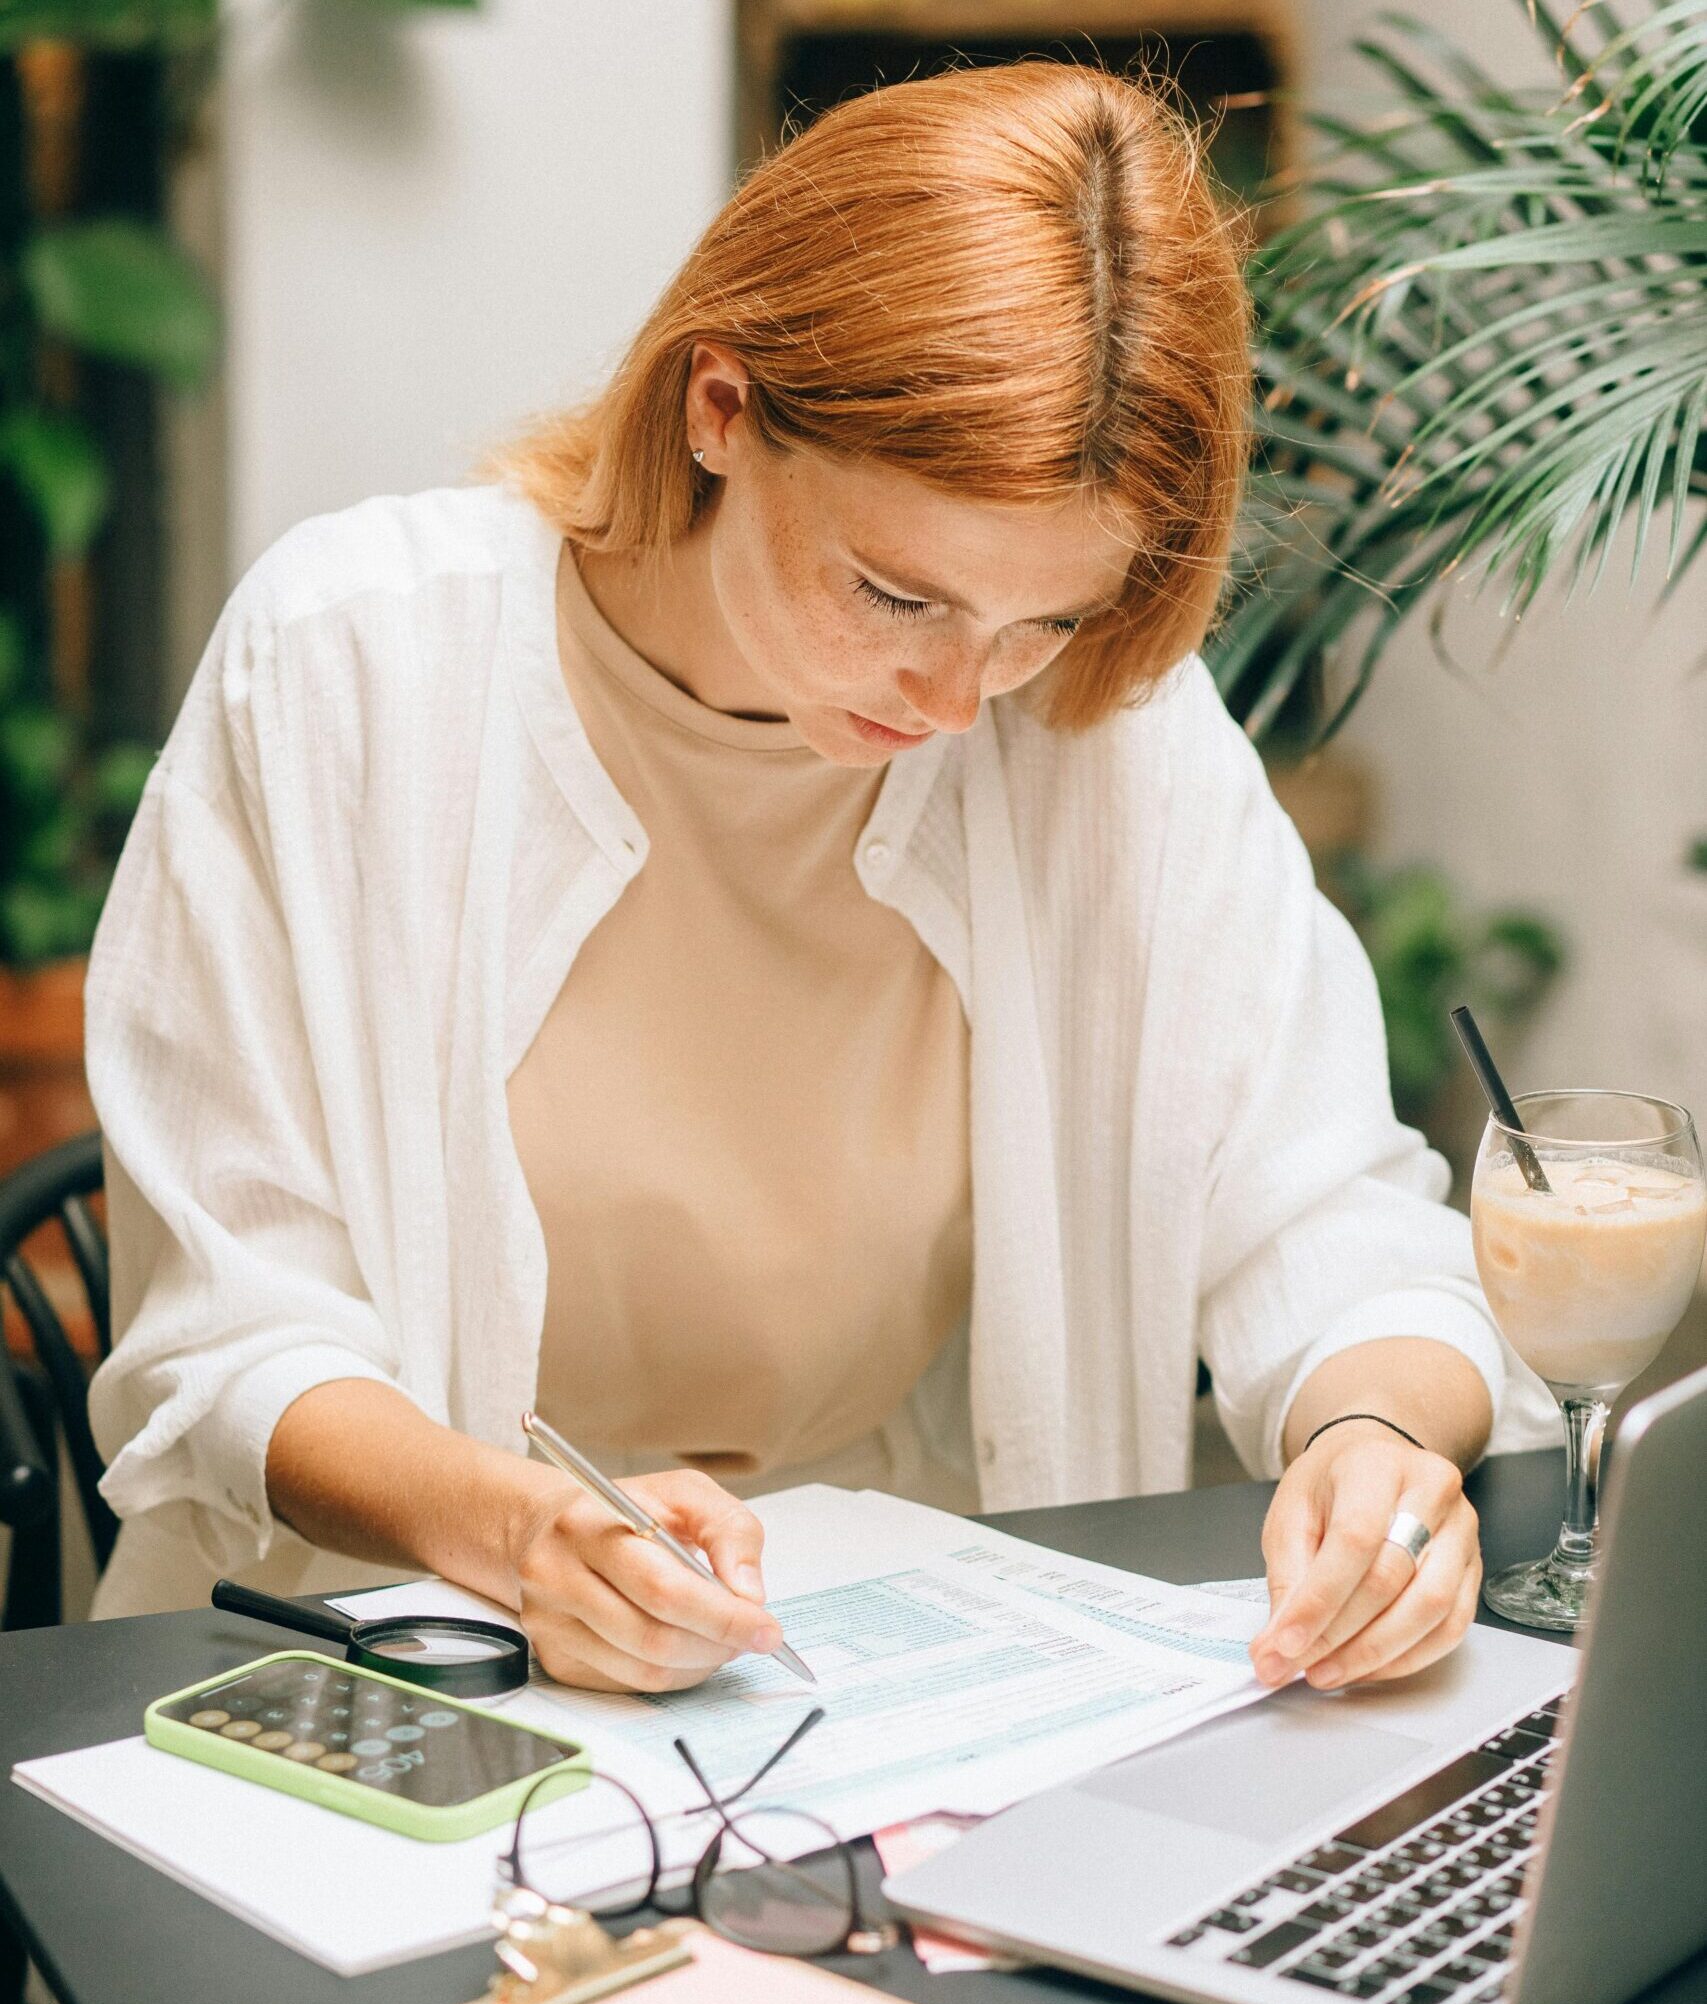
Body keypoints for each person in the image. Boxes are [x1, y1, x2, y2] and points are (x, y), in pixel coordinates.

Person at [85, 60, 1555, 1695]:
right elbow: (229, 1337)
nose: (953, 698)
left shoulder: (1098, 729)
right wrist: (519, 1536)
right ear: (720, 406)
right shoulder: (347, 668)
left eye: (1044, 619)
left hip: (881, 1674)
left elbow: (1329, 1206)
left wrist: (1374, 1439)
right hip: (397, 1657)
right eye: (895, 592)